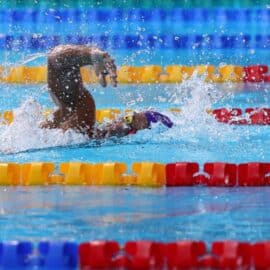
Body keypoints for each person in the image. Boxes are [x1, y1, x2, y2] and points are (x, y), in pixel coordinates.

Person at [41, 45, 173, 138]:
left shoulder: (74, 117)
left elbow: (55, 58)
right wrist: (131, 121)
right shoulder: (81, 127)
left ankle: (91, 54)